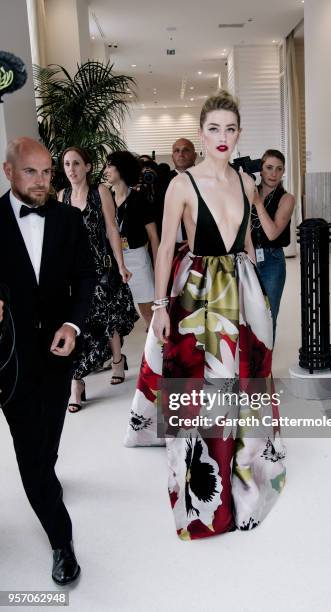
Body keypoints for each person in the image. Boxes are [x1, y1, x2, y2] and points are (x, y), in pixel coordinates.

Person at [124, 91, 286, 540]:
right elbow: (163, 252)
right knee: (208, 389)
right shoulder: (182, 184)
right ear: (201, 133)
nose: (222, 137)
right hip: (201, 293)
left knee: (248, 382)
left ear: (239, 134)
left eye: (230, 129)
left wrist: (258, 293)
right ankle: (209, 487)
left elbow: (250, 241)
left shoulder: (247, 182)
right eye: (213, 128)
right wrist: (159, 306)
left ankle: (246, 461)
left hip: (243, 288)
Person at [0, 137, 96, 584]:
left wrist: (72, 326)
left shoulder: (69, 220)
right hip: (9, 358)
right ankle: (62, 541)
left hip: (58, 354)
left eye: (46, 172)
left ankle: (46, 477)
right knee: (32, 457)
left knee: (48, 438)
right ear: (8, 172)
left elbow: (86, 277)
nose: (41, 183)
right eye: (30, 172)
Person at [58, 147, 137, 411]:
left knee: (108, 318)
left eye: (77, 163)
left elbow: (112, 229)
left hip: (103, 269)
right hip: (75, 275)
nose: (72, 169)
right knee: (81, 324)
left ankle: (116, 361)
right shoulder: (62, 196)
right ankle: (77, 381)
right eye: (67, 164)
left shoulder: (99, 192)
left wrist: (122, 264)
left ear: (88, 167)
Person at [104, 151, 159, 327]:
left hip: (136, 257)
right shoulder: (106, 198)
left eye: (109, 165)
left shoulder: (138, 198)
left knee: (147, 310)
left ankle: (160, 349)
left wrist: (159, 266)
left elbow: (153, 236)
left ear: (121, 168)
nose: (106, 170)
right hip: (114, 260)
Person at [251, 150, 295, 343]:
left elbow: (272, 233)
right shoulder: (248, 191)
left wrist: (258, 203)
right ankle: (247, 366)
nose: (273, 173)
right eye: (269, 168)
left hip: (272, 262)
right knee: (246, 316)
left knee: (268, 316)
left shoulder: (287, 199)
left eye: (279, 169)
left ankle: (265, 367)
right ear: (261, 169)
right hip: (248, 258)